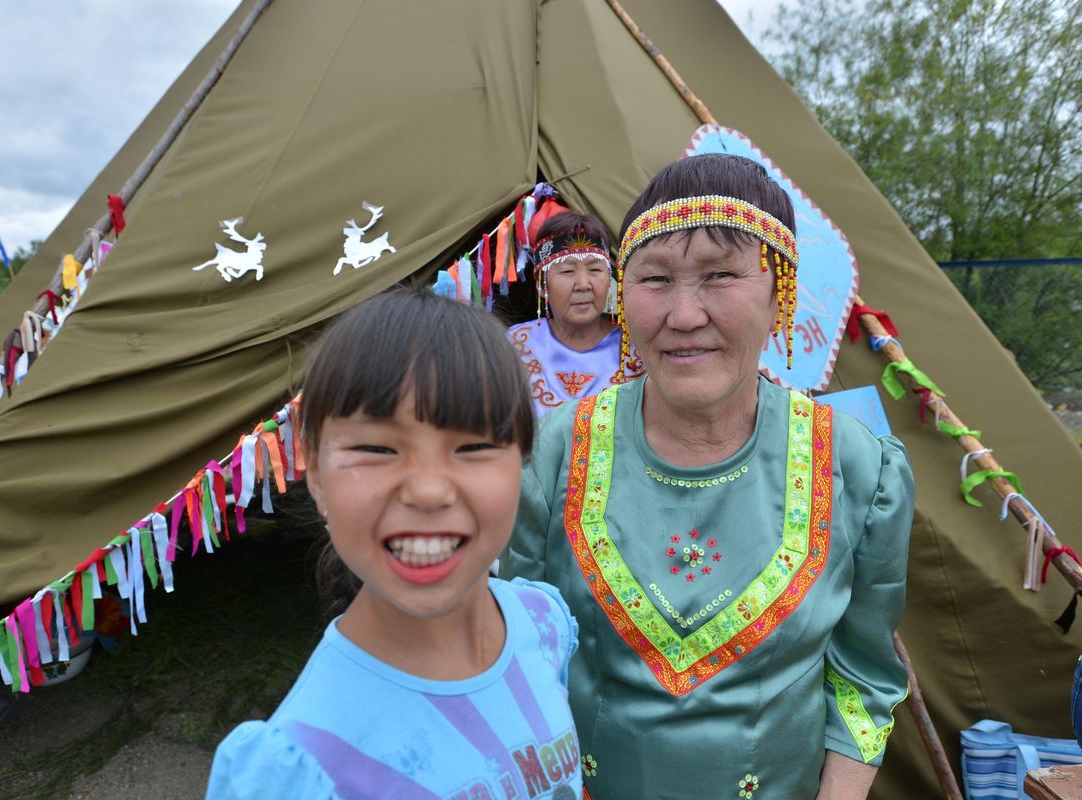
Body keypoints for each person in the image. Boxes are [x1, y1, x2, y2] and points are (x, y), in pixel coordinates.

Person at [502, 154, 915, 799]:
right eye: (655, 278)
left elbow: (864, 679)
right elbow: (512, 657)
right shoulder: (550, 454)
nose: (684, 314)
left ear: (781, 292)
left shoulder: (860, 468)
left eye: (721, 276)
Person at [206, 290, 584, 800]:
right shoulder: (301, 767)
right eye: (377, 449)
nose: (428, 491)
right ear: (314, 472)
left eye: (473, 447)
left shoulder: (542, 622)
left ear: (521, 460)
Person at [507, 211, 638, 417]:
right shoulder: (514, 345)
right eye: (567, 272)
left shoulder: (636, 348)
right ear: (542, 285)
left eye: (595, 270)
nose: (583, 285)